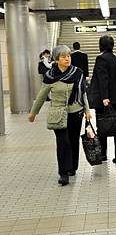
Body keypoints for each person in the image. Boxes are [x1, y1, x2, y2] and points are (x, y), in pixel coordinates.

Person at [28, 45, 92, 186]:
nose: (67, 59)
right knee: (63, 142)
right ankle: (63, 172)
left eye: (68, 56)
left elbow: (83, 93)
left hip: (76, 112)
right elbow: (41, 95)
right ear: (56, 59)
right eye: (63, 57)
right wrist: (33, 112)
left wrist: (87, 111)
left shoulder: (77, 73)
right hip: (58, 114)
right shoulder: (50, 76)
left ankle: (72, 167)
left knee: (74, 141)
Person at [88, 35, 116, 164]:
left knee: (103, 126)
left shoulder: (101, 59)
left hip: (107, 99)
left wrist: (105, 97)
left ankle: (103, 154)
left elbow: (102, 79)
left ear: (100, 45)